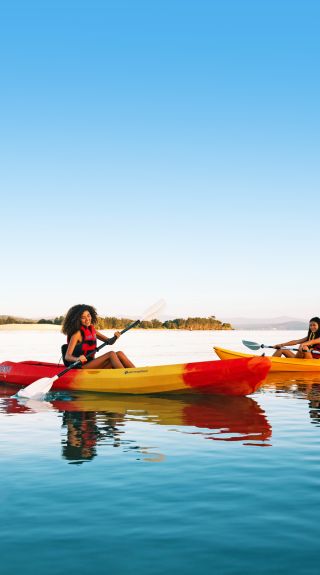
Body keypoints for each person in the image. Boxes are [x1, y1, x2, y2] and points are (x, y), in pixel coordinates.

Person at [61, 304, 135, 369]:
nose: (87, 319)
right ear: (78, 319)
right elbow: (67, 356)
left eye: (88, 315)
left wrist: (115, 337)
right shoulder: (77, 334)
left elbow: (109, 342)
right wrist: (77, 359)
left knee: (119, 353)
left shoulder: (92, 330)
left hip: (92, 363)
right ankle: (125, 375)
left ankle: (136, 372)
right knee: (111, 354)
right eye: (83, 317)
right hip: (81, 366)